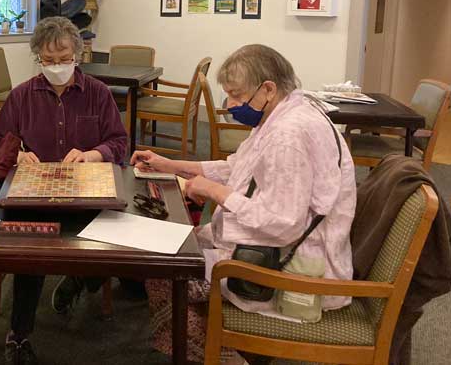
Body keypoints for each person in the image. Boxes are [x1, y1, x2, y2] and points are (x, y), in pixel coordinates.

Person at [131, 44, 356, 363]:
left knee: (165, 268)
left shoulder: (288, 135)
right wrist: (172, 165)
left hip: (290, 270)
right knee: (176, 245)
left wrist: (213, 191)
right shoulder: (289, 110)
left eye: (237, 96)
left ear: (268, 88)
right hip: (277, 248)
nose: (233, 105)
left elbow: (282, 223)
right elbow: (241, 167)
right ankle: (209, 342)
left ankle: (219, 353)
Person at [0, 16, 128, 364]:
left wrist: (93, 154)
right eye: (48, 60)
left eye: (63, 58)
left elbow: (119, 142)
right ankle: (19, 334)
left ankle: (80, 278)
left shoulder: (97, 93)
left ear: (78, 55)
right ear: (38, 58)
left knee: (111, 241)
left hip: (86, 188)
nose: (57, 67)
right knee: (28, 252)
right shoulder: (22, 96)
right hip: (36, 190)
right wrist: (19, 155)